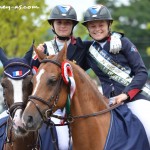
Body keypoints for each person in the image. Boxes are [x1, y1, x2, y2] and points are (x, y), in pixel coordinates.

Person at [31, 4, 123, 149]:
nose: (63, 26)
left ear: (73, 25)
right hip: (54, 108)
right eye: (59, 22)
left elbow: (101, 40)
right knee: (61, 143)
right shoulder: (44, 50)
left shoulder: (83, 47)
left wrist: (116, 36)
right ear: (52, 25)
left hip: (79, 108)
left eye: (67, 22)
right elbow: (34, 79)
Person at [81, 4, 150, 144]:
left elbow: (142, 73)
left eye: (101, 24)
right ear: (87, 29)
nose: (97, 29)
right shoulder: (89, 52)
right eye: (92, 26)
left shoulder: (123, 42)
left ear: (109, 24)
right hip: (107, 104)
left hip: (134, 100)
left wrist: (126, 94)